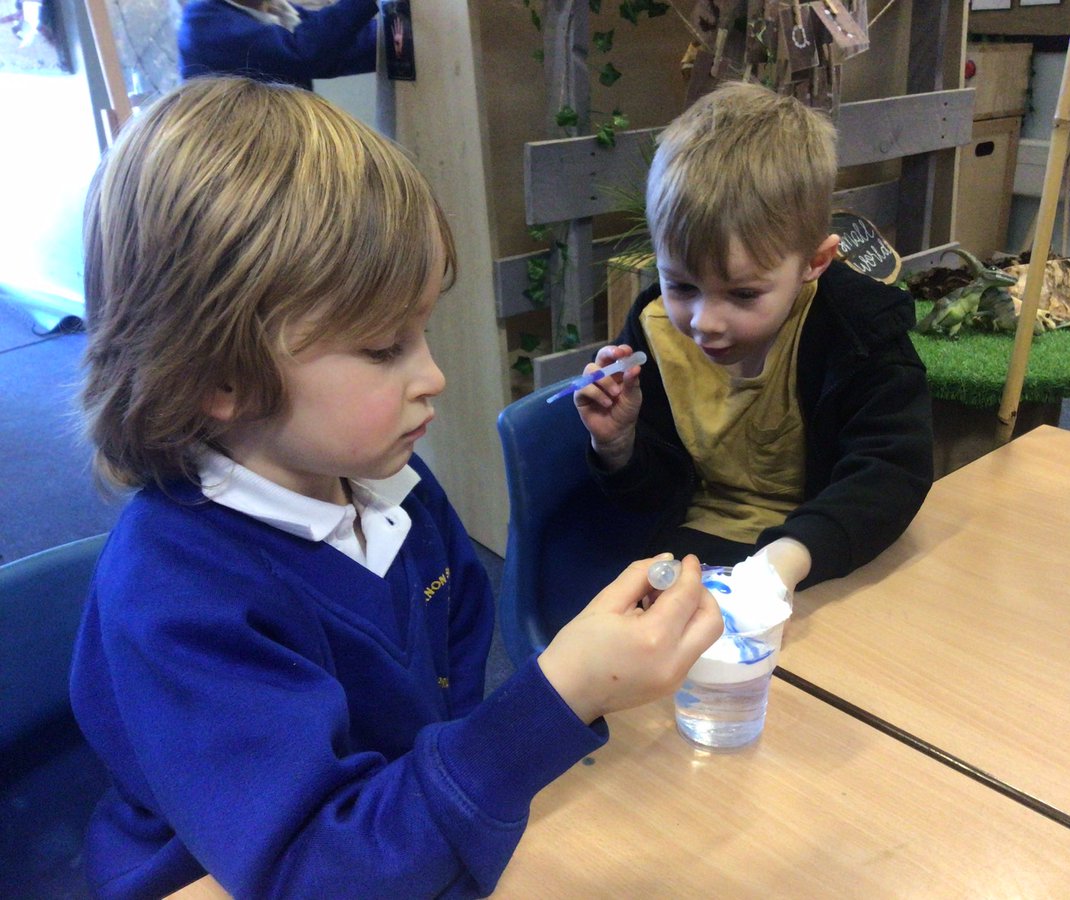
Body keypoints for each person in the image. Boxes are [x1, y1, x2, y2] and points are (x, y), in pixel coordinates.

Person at [70, 77, 722, 900]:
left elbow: (442, 728)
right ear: (218, 378)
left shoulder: (399, 497)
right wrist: (564, 691)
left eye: (423, 333)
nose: (435, 376)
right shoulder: (179, 598)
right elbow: (308, 871)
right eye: (385, 348)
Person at [574, 80, 934, 597]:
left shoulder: (861, 333)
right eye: (681, 285)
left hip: (824, 548)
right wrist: (618, 443)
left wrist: (787, 559)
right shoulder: (652, 331)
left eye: (742, 294)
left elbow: (891, 474)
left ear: (814, 263)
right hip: (697, 549)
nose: (705, 322)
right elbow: (648, 497)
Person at [177, 0, 377, 90]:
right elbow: (303, 53)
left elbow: (339, 50)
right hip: (236, 160)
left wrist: (401, 31)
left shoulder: (274, 9)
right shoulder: (203, 22)